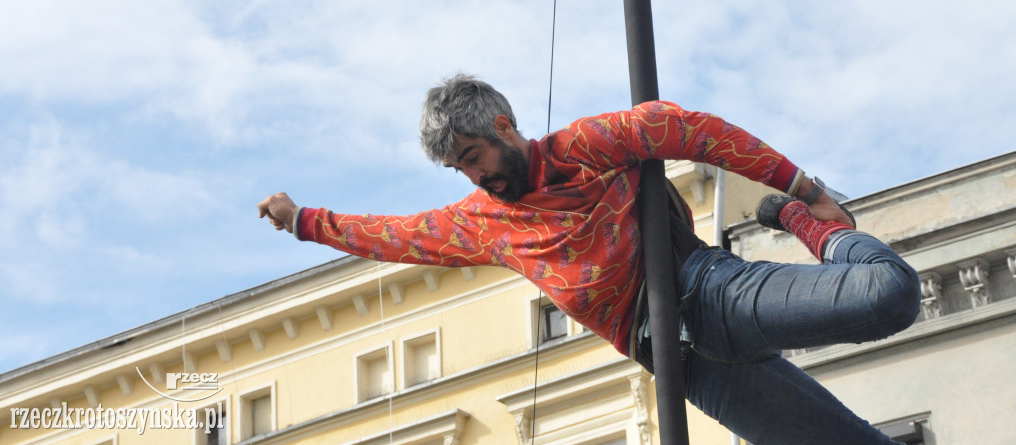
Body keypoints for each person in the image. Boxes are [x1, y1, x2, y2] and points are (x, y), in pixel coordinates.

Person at [259, 74, 920, 445]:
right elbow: (393, 235)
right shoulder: (481, 225)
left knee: (888, 295)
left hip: (704, 292)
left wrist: (805, 193)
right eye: (458, 169)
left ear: (505, 129)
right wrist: (304, 222)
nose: (474, 179)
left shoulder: (587, 147)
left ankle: (809, 229)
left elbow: (694, 130)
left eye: (474, 159)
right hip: (682, 363)